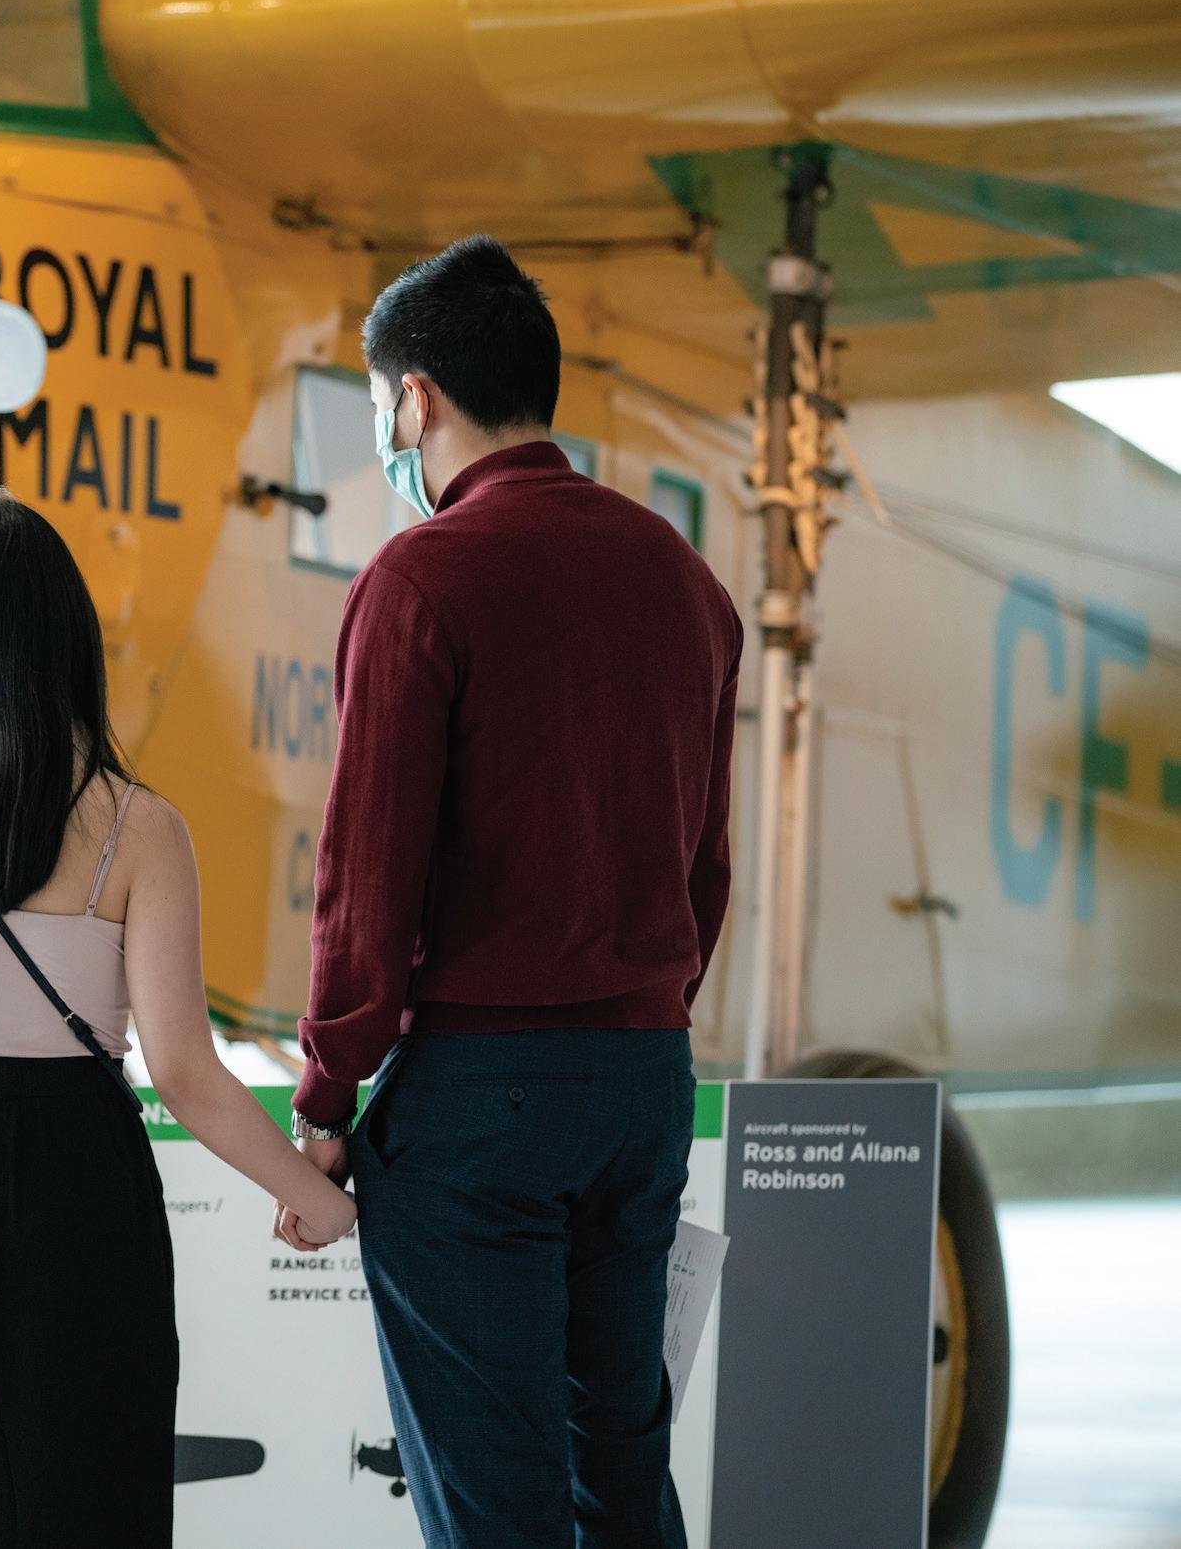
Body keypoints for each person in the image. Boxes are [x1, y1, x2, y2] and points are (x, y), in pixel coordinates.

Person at [276, 236, 744, 1548]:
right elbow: (703, 864)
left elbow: (366, 873)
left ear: (413, 400)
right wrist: (637, 1016)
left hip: (478, 1100)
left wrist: (326, 1091)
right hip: (641, 1078)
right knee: (619, 1468)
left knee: (494, 1497)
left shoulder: (420, 577)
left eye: (381, 404)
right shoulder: (685, 581)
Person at [0, 488, 358, 1549]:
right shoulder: (138, 826)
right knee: (84, 1492)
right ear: (65, 638)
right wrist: (316, 1199)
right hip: (77, 1178)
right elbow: (184, 1070)